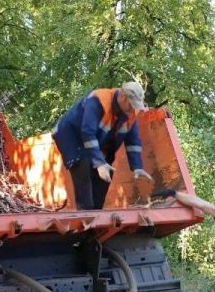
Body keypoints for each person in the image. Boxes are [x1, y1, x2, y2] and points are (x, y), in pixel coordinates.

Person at [52, 81, 154, 210]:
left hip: (94, 138)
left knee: (106, 173)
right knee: (82, 166)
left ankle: (96, 213)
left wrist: (137, 167)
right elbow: (87, 132)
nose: (132, 109)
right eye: (131, 104)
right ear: (122, 96)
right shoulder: (98, 100)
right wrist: (99, 163)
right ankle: (85, 214)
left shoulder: (130, 113)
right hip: (70, 134)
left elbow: (133, 141)